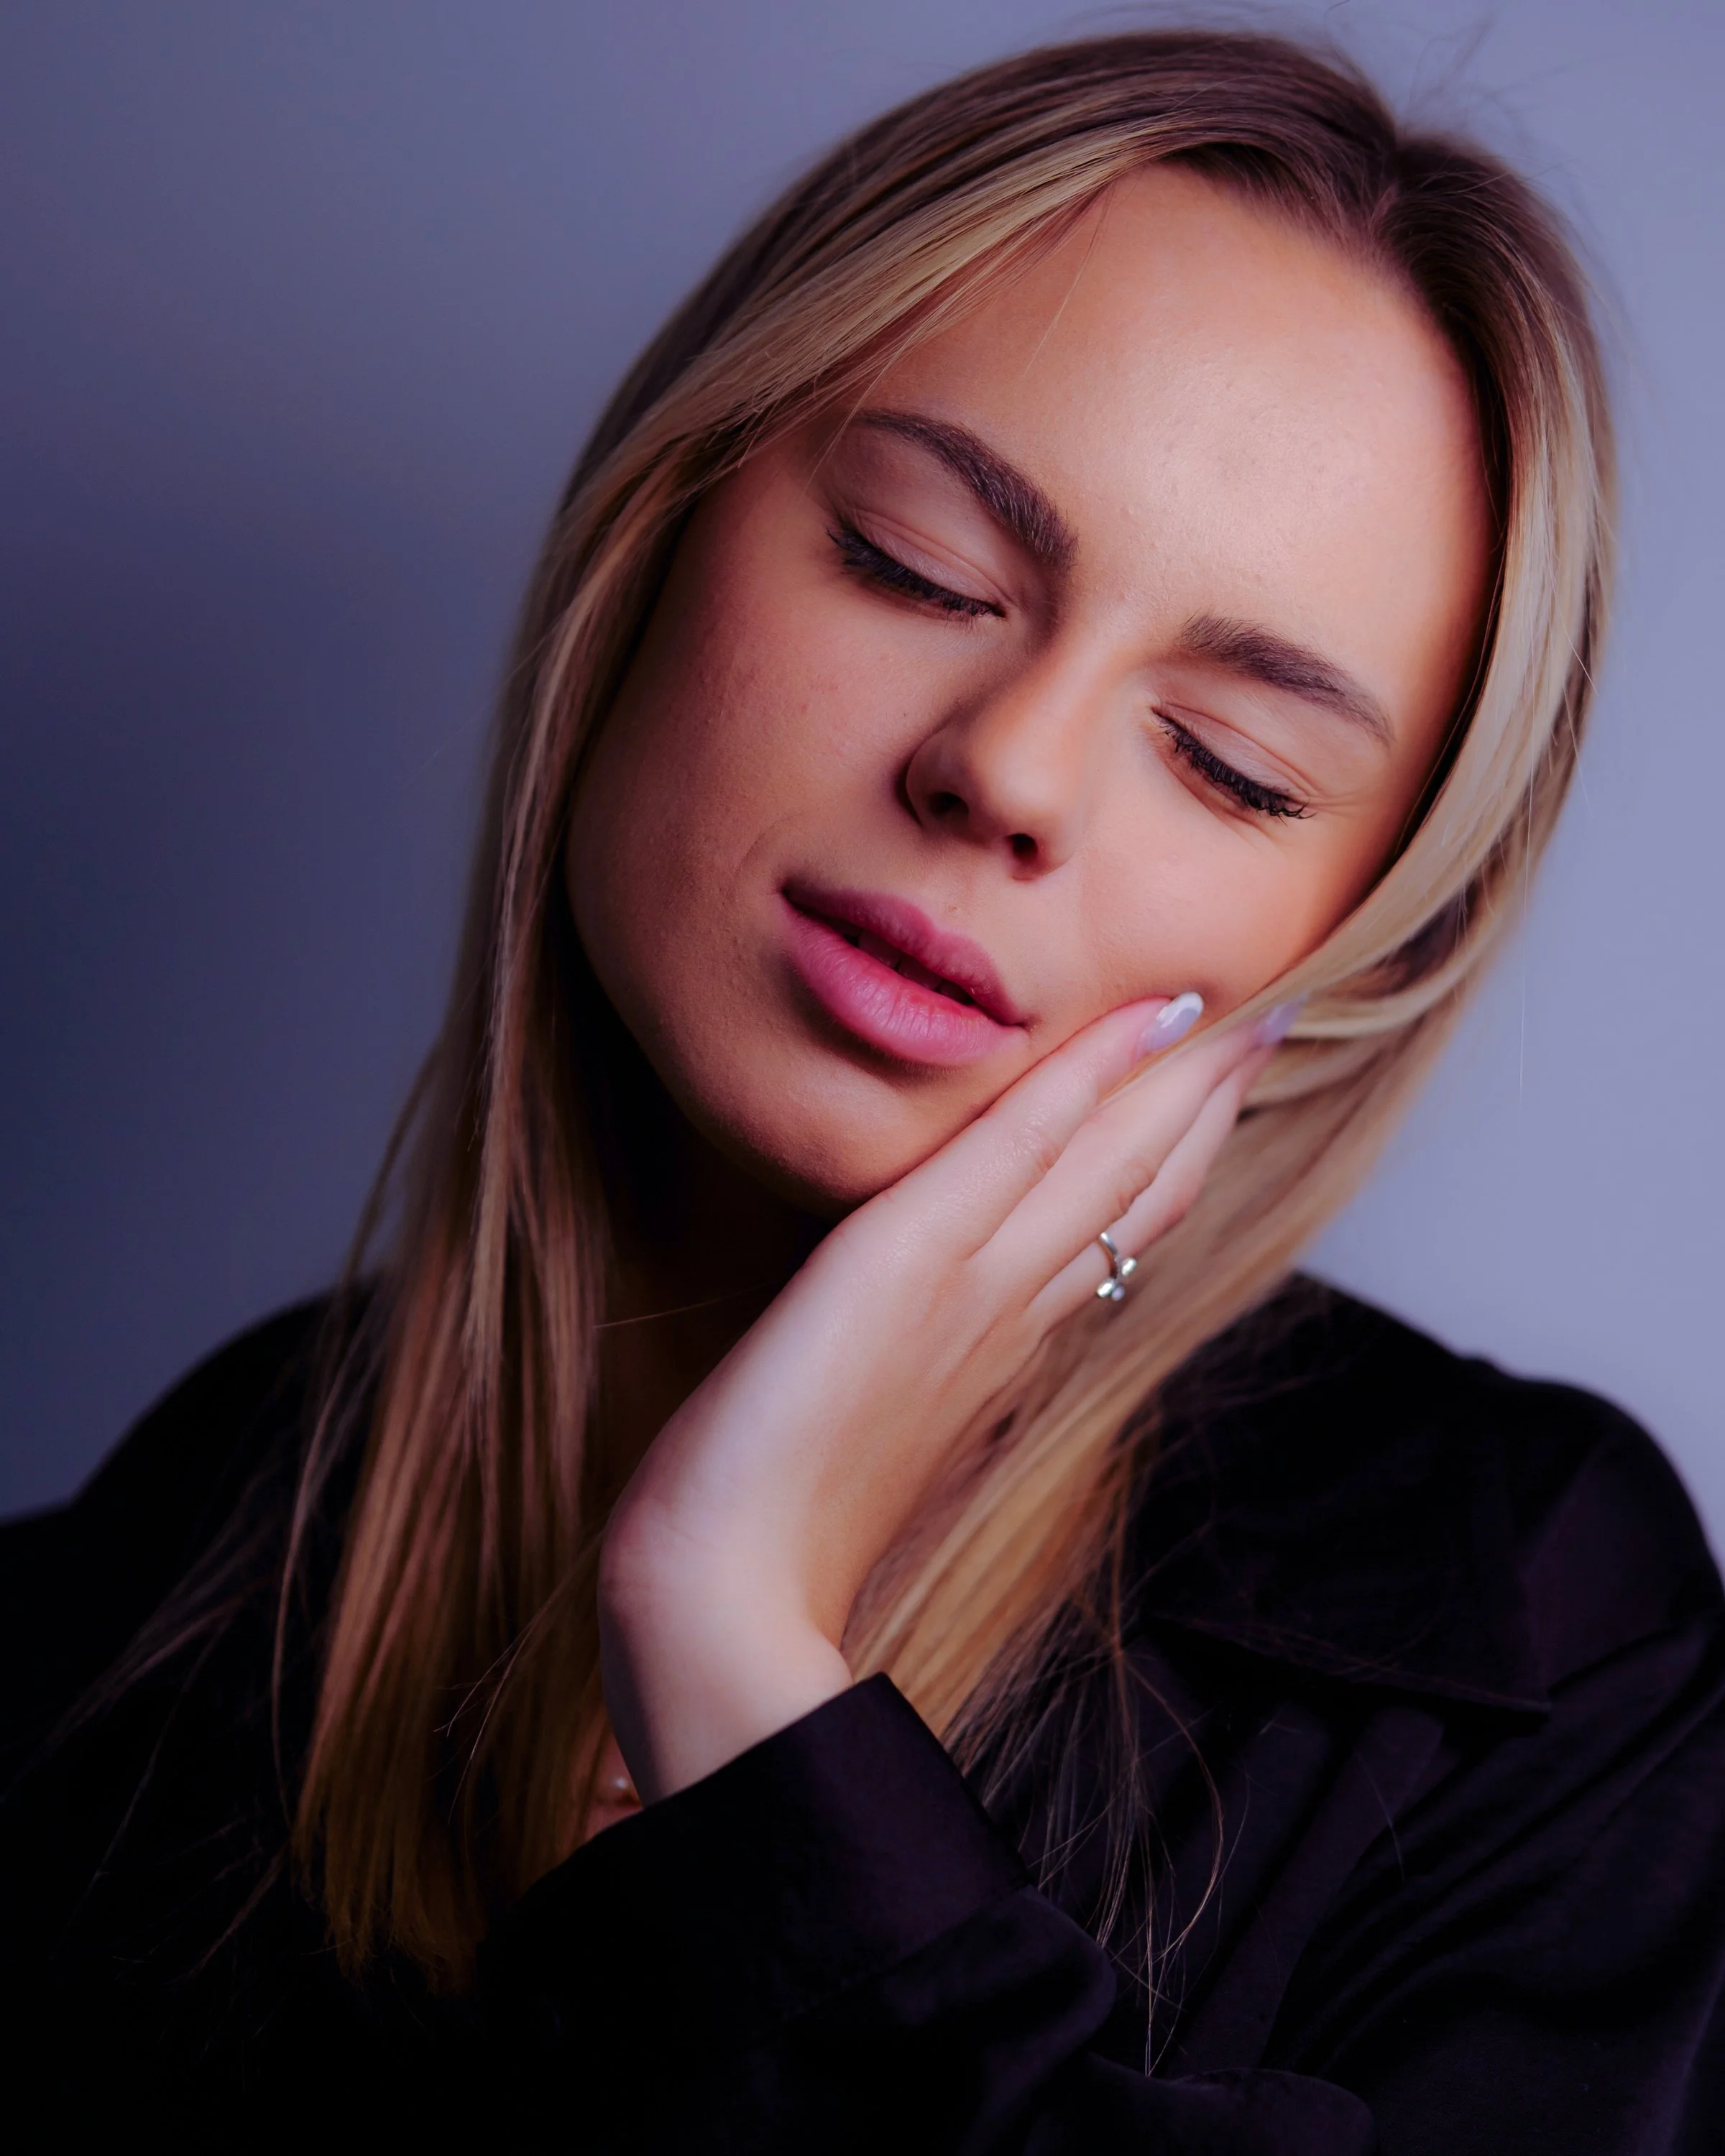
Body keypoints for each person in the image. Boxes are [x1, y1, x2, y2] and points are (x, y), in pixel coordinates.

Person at [4, 26, 1721, 2153]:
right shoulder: (126, 1614)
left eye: (1233, 764)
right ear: (654, 540)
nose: (1003, 769)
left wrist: (737, 1668)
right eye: (920, 564)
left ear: (1359, 936)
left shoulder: (1542, 1655)